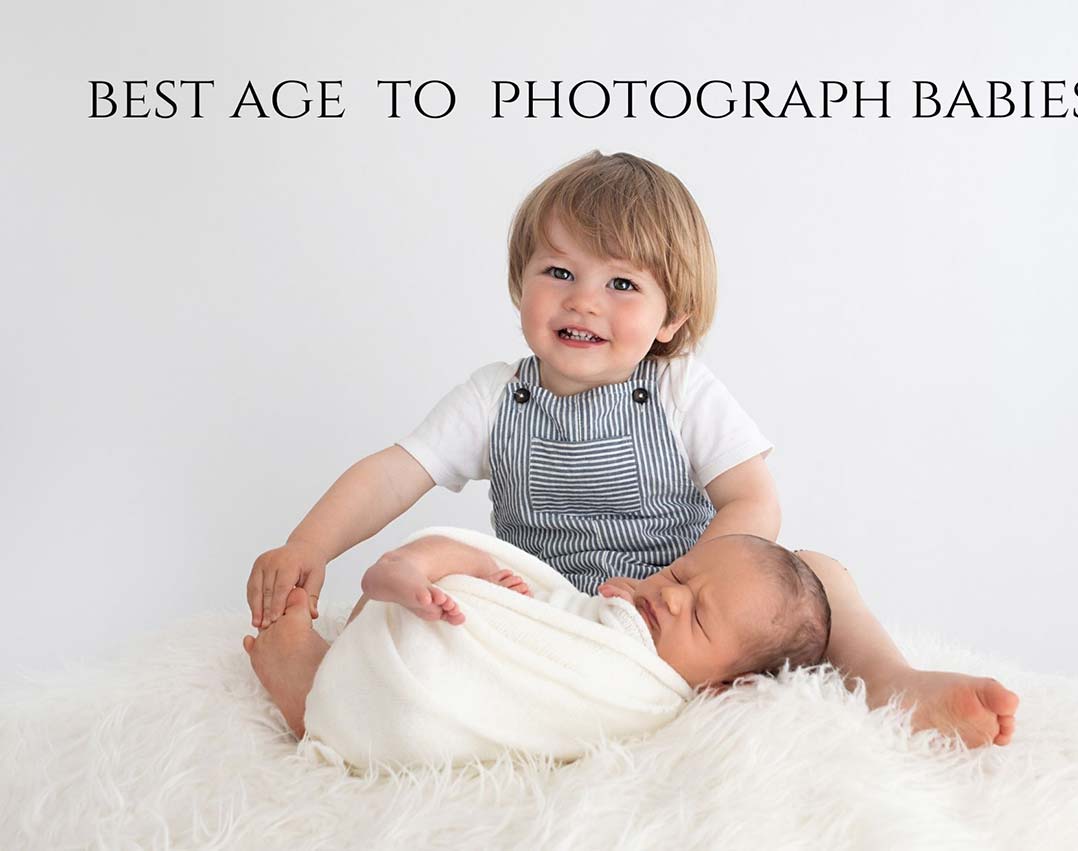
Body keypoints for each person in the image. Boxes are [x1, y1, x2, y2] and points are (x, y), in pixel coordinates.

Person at [246, 150, 1019, 747]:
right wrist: (310, 542)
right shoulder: (496, 396)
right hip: (543, 611)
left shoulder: (680, 390)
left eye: (622, 284)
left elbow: (754, 499)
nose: (583, 298)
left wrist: (684, 581)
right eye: (559, 271)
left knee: (818, 574)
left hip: (672, 622)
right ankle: (321, 689)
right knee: (434, 601)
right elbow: (395, 472)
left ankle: (893, 683)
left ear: (672, 317)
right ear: (521, 286)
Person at [242, 531, 833, 740]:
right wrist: (521, 596)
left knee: (370, 691)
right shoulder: (630, 605)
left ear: (725, 687)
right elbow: (568, 608)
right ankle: (408, 566)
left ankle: (315, 681)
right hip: (473, 610)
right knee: (470, 553)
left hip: (438, 674)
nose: (671, 595)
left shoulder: (648, 693)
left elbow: (546, 693)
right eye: (679, 573)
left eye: (699, 616)